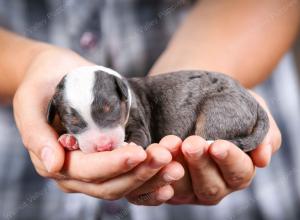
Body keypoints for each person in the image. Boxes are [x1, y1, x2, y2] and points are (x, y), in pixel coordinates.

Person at [0, 0, 298, 219]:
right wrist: (27, 66)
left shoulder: (134, 108)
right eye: (77, 123)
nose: (102, 142)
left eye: (108, 114)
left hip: (247, 197)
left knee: (207, 143)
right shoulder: (71, 101)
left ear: (123, 96)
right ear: (56, 112)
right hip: (20, 191)